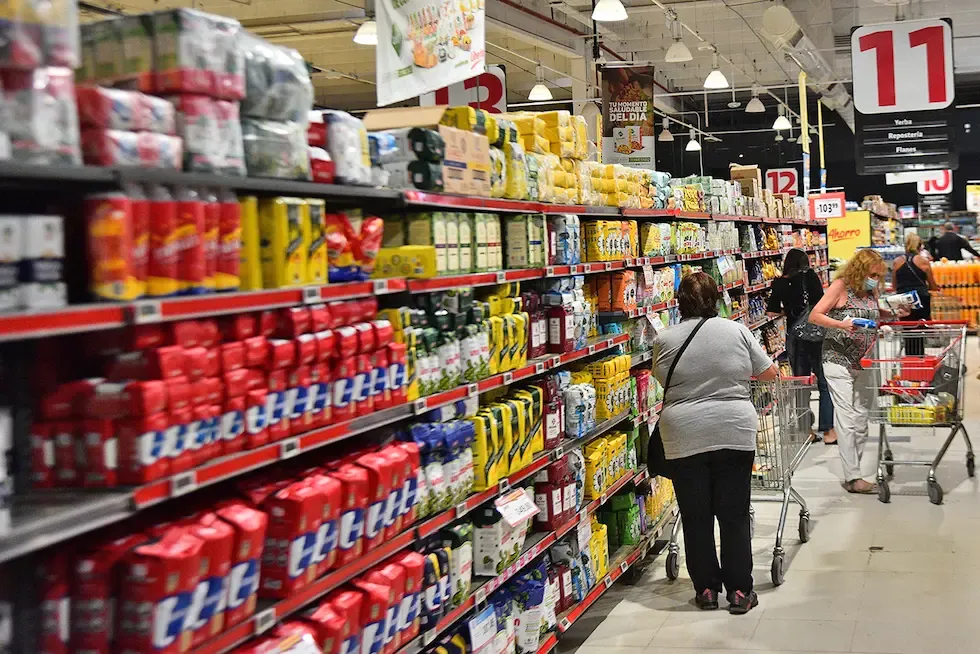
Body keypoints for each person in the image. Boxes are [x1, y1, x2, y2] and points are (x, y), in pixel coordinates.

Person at [652, 272, 778, 615]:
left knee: (696, 515)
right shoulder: (736, 330)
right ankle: (739, 592)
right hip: (733, 430)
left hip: (683, 433)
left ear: (679, 303)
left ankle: (706, 589)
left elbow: (662, 378)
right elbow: (768, 372)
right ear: (716, 299)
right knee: (734, 514)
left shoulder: (665, 338)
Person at [809, 249, 908, 494]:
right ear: (860, 270)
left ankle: (854, 469)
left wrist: (893, 313)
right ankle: (853, 477)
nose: (875, 279)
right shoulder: (840, 286)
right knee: (847, 419)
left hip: (864, 360)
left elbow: (872, 313)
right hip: (837, 359)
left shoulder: (871, 291)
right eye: (872, 274)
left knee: (862, 419)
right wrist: (841, 324)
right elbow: (815, 315)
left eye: (878, 276)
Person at [766, 248, 836, 444]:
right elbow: (821, 304)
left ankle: (806, 431)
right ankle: (828, 431)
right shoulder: (810, 276)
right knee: (824, 382)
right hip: (816, 336)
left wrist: (791, 313)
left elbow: (771, 312)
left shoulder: (779, 282)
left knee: (801, 383)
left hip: (795, 338)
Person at [893, 233, 939, 355]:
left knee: (907, 329)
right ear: (920, 246)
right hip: (921, 299)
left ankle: (910, 357)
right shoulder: (923, 261)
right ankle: (919, 356)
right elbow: (933, 285)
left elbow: (894, 285)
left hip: (903, 300)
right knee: (920, 328)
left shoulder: (897, 262)